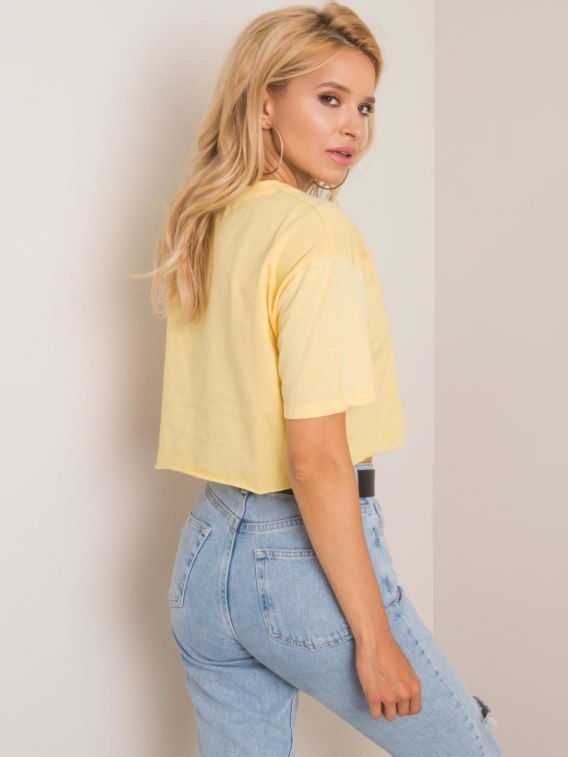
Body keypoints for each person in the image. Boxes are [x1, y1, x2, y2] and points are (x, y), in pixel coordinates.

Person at [147, 3, 502, 755]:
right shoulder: (315, 235)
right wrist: (373, 638)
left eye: (364, 106)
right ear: (264, 104)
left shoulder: (209, 222)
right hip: (297, 556)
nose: (353, 127)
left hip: (208, 553)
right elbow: (315, 457)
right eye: (329, 98)